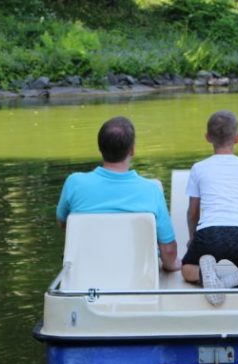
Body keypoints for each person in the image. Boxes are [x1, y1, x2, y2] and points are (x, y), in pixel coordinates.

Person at [56, 116, 180, 272]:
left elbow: (63, 223)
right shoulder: (151, 189)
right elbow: (168, 250)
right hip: (137, 276)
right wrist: (171, 265)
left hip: (86, 274)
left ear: (100, 148)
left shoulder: (74, 183)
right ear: (132, 150)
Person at [181, 110, 238, 295]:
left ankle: (207, 277)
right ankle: (235, 280)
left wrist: (192, 239)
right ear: (237, 138)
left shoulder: (198, 168)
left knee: (187, 269)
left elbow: (193, 213)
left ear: (207, 137)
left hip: (208, 233)